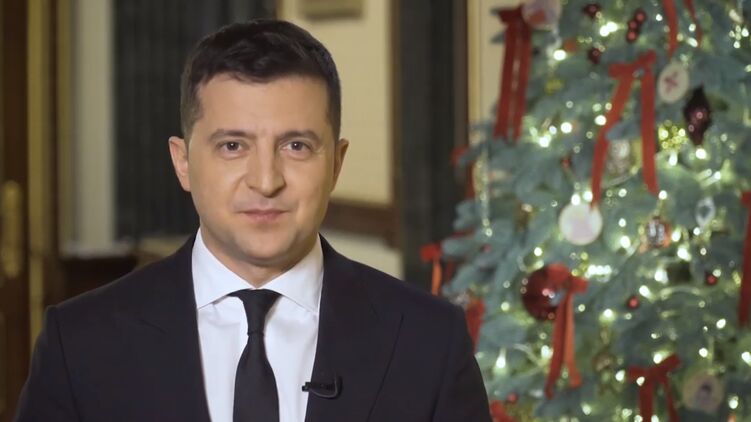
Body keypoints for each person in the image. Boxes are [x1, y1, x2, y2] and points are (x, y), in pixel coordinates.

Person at [15, 19, 491, 422]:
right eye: (232, 146)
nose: (266, 181)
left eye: (296, 146)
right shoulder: (79, 344)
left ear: (336, 163)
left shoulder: (430, 341)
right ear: (183, 162)